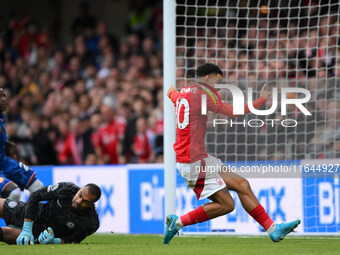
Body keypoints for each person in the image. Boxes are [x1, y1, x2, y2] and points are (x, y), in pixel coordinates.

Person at [163, 63, 300, 244]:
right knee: (227, 205)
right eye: (217, 80)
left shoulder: (184, 92)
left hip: (199, 158)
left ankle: (273, 229)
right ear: (207, 78)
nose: (218, 84)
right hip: (193, 162)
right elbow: (232, 112)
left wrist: (171, 91)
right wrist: (261, 101)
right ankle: (177, 222)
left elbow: (174, 96)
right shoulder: (204, 93)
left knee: (242, 184)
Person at [0, 182, 101, 245]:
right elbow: (35, 196)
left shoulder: (91, 222)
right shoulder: (66, 189)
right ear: (79, 189)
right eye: (80, 195)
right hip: (34, 213)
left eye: (85, 201)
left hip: (41, 235)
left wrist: (54, 241)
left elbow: (73, 239)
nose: (78, 201)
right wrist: (27, 229)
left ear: (91, 205)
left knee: (4, 233)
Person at [0, 88, 43, 193]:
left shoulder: (2, 116)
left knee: (37, 186)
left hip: (5, 162)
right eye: (0, 97)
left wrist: (6, 143)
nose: (4, 99)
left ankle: (31, 210)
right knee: (13, 193)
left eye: (4, 96)